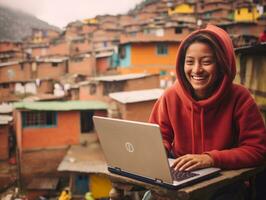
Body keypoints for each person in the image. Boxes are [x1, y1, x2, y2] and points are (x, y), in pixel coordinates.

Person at [149, 24, 266, 199]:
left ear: (222, 64)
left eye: (206, 62)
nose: (196, 70)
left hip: (226, 184)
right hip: (182, 177)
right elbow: (159, 135)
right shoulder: (171, 96)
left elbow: (258, 150)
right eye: (189, 62)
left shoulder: (239, 97)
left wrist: (211, 159)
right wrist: (159, 151)